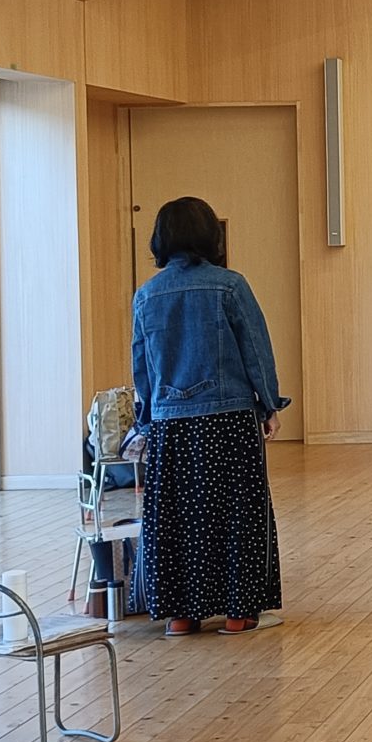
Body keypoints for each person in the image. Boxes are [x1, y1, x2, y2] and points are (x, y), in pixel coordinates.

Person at [130, 196, 288, 636]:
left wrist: (147, 419)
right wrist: (269, 404)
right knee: (238, 514)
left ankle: (181, 617)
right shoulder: (230, 286)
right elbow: (255, 349)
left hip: (170, 423)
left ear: (160, 239)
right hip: (229, 418)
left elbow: (141, 366)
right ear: (210, 235)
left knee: (177, 518)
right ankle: (239, 614)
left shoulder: (147, 295)